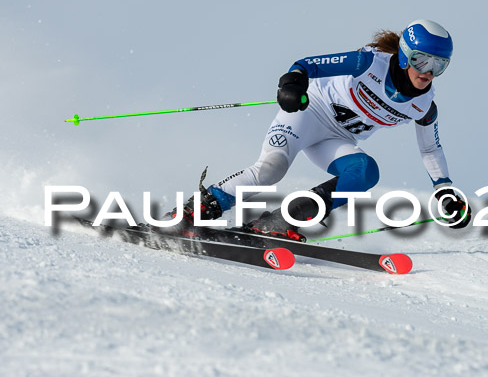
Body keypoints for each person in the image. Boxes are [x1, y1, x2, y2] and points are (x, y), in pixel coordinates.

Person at [171, 19, 471, 240]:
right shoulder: (368, 63)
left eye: (439, 65)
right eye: (421, 60)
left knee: (366, 172)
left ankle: (281, 220)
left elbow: (430, 148)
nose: (428, 71)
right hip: (308, 113)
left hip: (336, 139)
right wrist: (293, 82)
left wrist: (444, 189)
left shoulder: (423, 106)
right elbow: (307, 64)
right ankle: (195, 210)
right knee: (272, 168)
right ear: (405, 54)